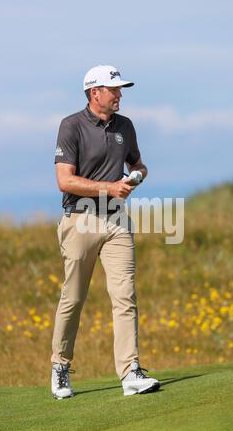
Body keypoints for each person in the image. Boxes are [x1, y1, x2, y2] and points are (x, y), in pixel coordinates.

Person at [51, 65, 160, 399]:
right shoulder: (71, 126)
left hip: (117, 222)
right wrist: (108, 188)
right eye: (113, 89)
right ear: (93, 92)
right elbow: (65, 181)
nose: (119, 95)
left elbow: (138, 164)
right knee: (74, 297)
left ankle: (130, 372)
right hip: (80, 220)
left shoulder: (125, 126)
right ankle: (60, 365)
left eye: (120, 89)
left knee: (125, 296)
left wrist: (135, 178)